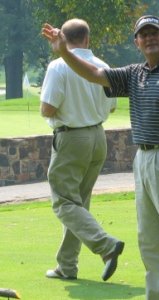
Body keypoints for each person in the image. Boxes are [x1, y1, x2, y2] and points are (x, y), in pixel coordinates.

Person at [42, 15, 159, 299]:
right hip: (143, 157)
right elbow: (94, 74)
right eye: (143, 35)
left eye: (154, 33)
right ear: (137, 42)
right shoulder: (135, 74)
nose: (149, 39)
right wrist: (64, 53)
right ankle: (156, 295)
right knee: (148, 239)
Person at [40, 18, 124, 282]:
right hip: (98, 138)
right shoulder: (102, 66)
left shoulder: (58, 66)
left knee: (64, 202)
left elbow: (47, 109)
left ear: (63, 39)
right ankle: (67, 266)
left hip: (72, 139)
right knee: (79, 204)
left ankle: (105, 245)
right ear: (87, 39)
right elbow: (111, 107)